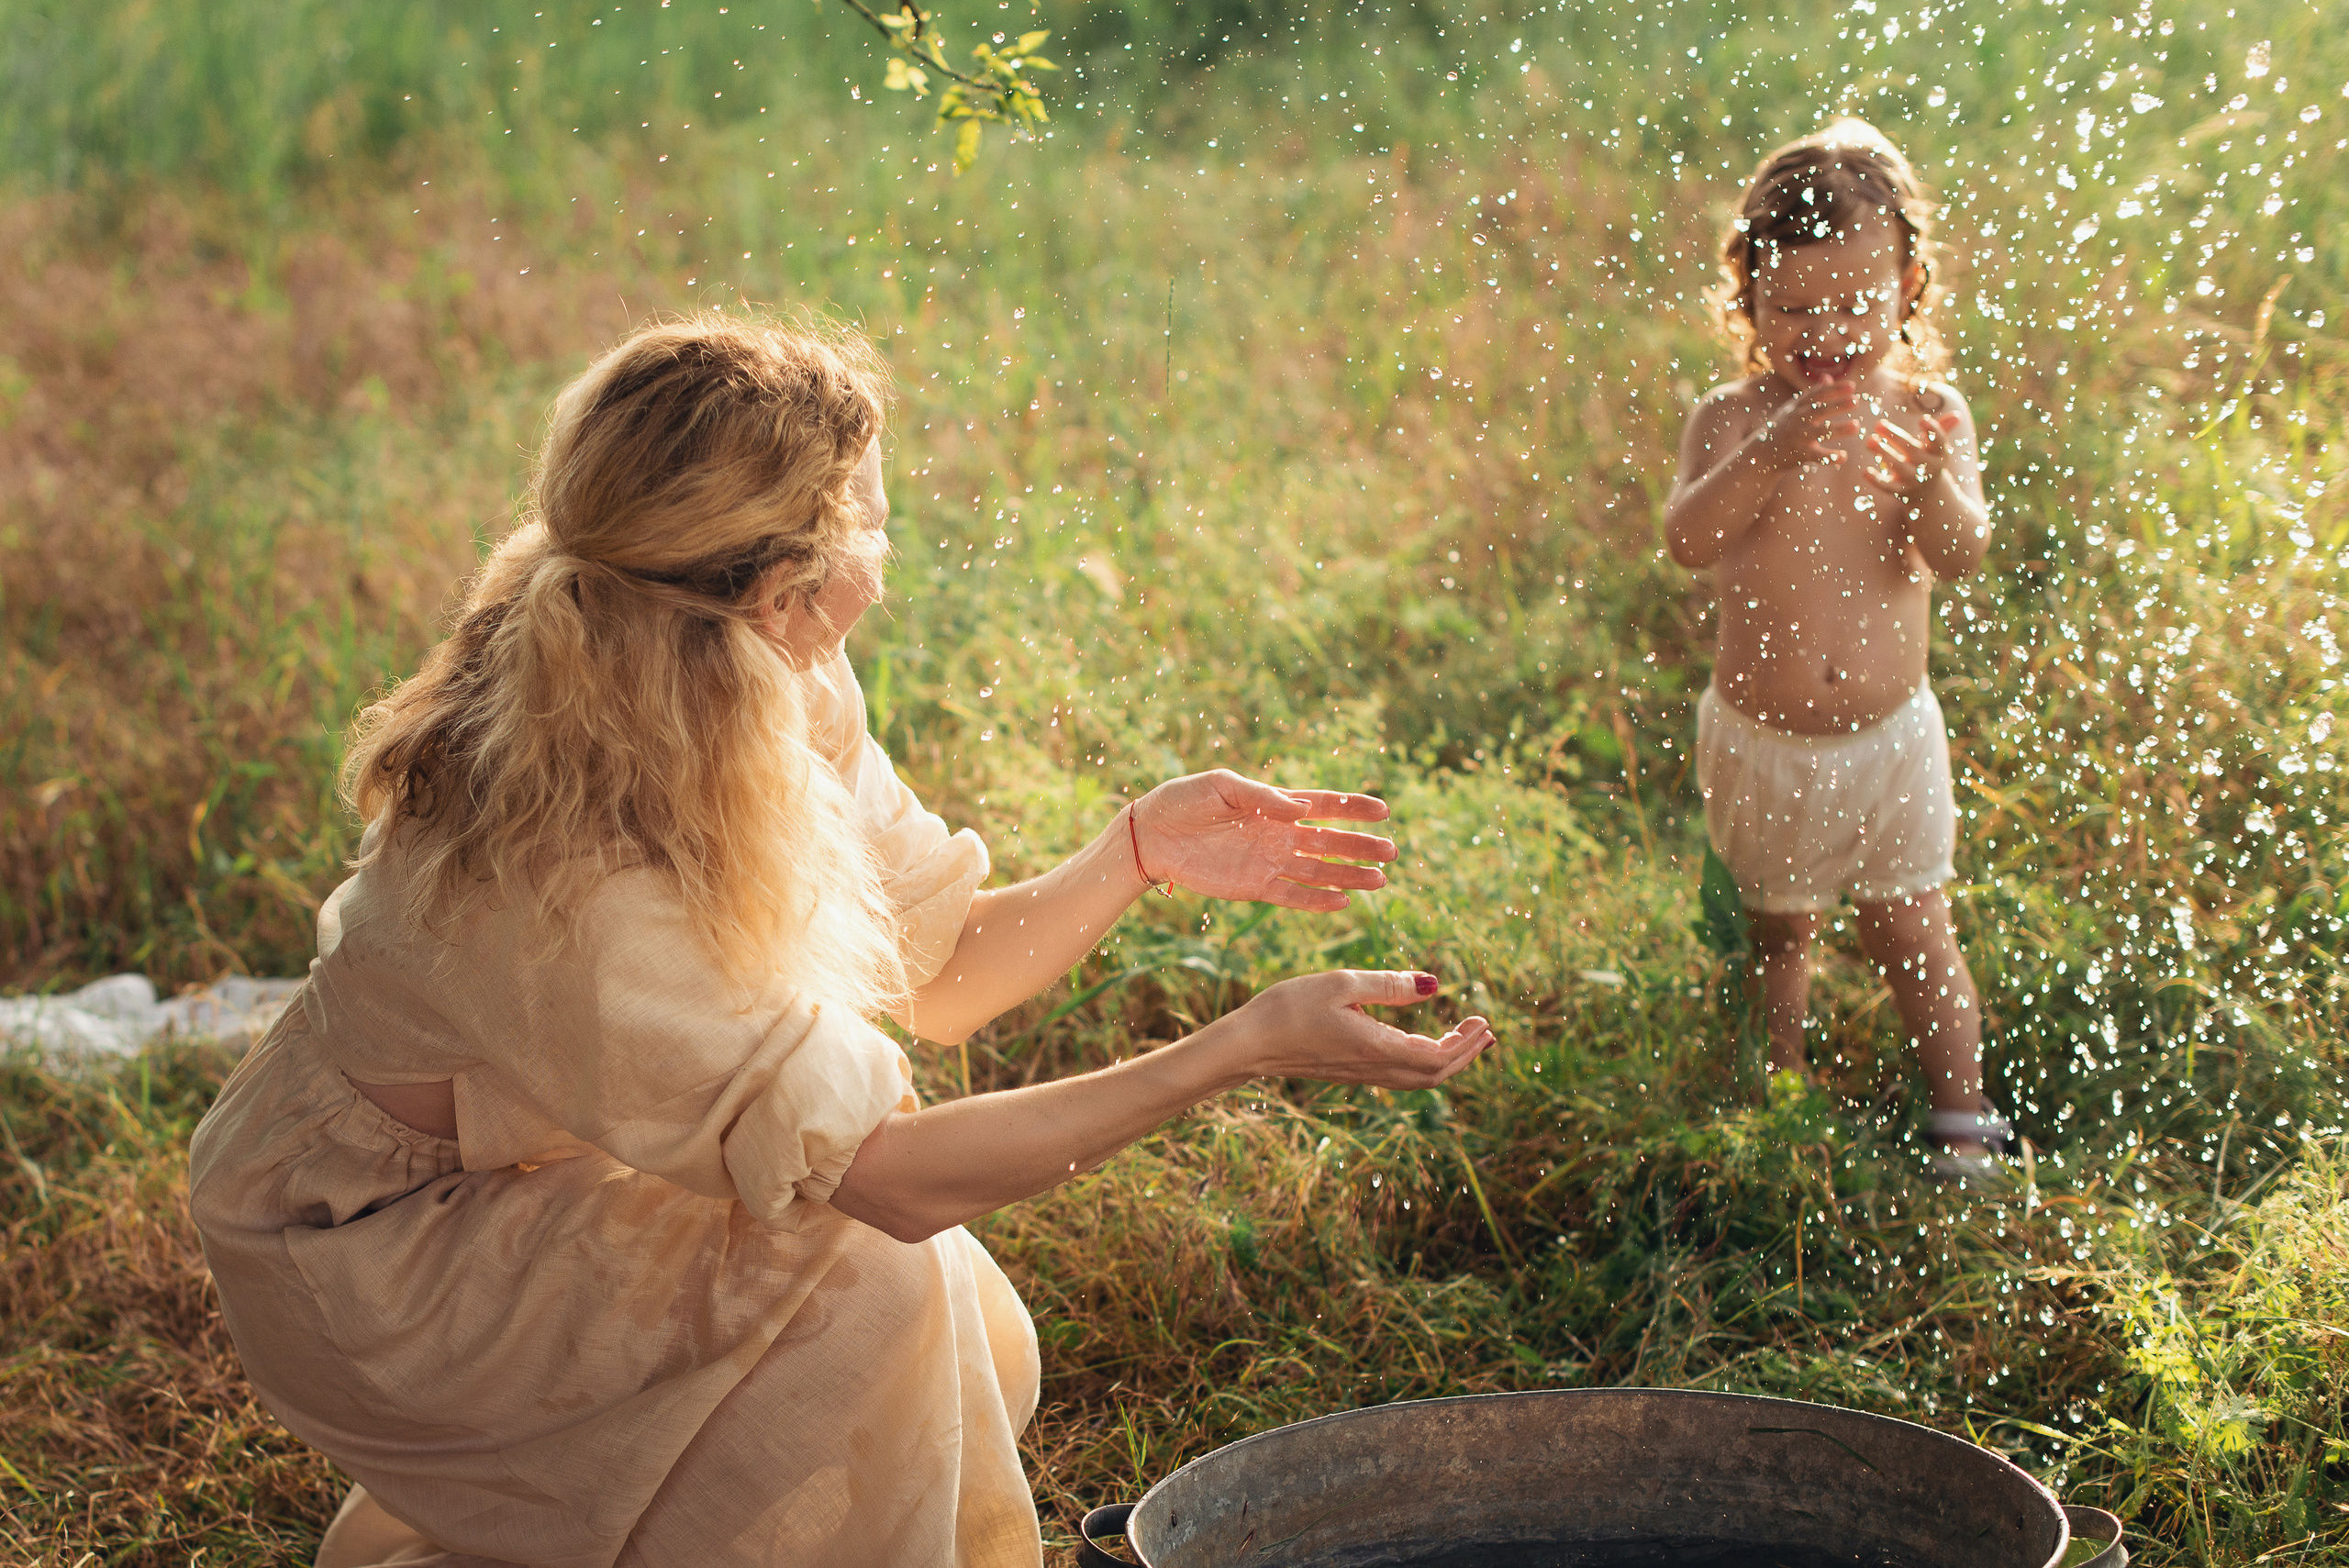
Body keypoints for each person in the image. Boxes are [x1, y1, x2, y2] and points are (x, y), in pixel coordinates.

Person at [187, 314, 1493, 1568]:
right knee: (874, 1287)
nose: (890, 544)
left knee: (959, 1326)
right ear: (780, 591)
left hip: (532, 1172)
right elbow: (893, 1183)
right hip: (376, 1254)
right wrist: (1237, 1048)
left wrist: (1136, 847)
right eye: (871, 518)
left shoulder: (751, 667)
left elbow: (940, 972)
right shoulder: (565, 874)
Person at [1659, 119, 2002, 1179]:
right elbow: (1687, 540)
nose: (1826, 334)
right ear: (1748, 298)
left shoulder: (1930, 416)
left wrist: (1927, 487)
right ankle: (1777, 1109)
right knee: (1777, 937)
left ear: (1908, 289)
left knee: (1915, 928)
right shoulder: (1732, 418)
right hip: (1763, 741)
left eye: (1855, 305)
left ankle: (1962, 1120)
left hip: (1891, 742)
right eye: (1794, 309)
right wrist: (1765, 455)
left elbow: (1961, 553)